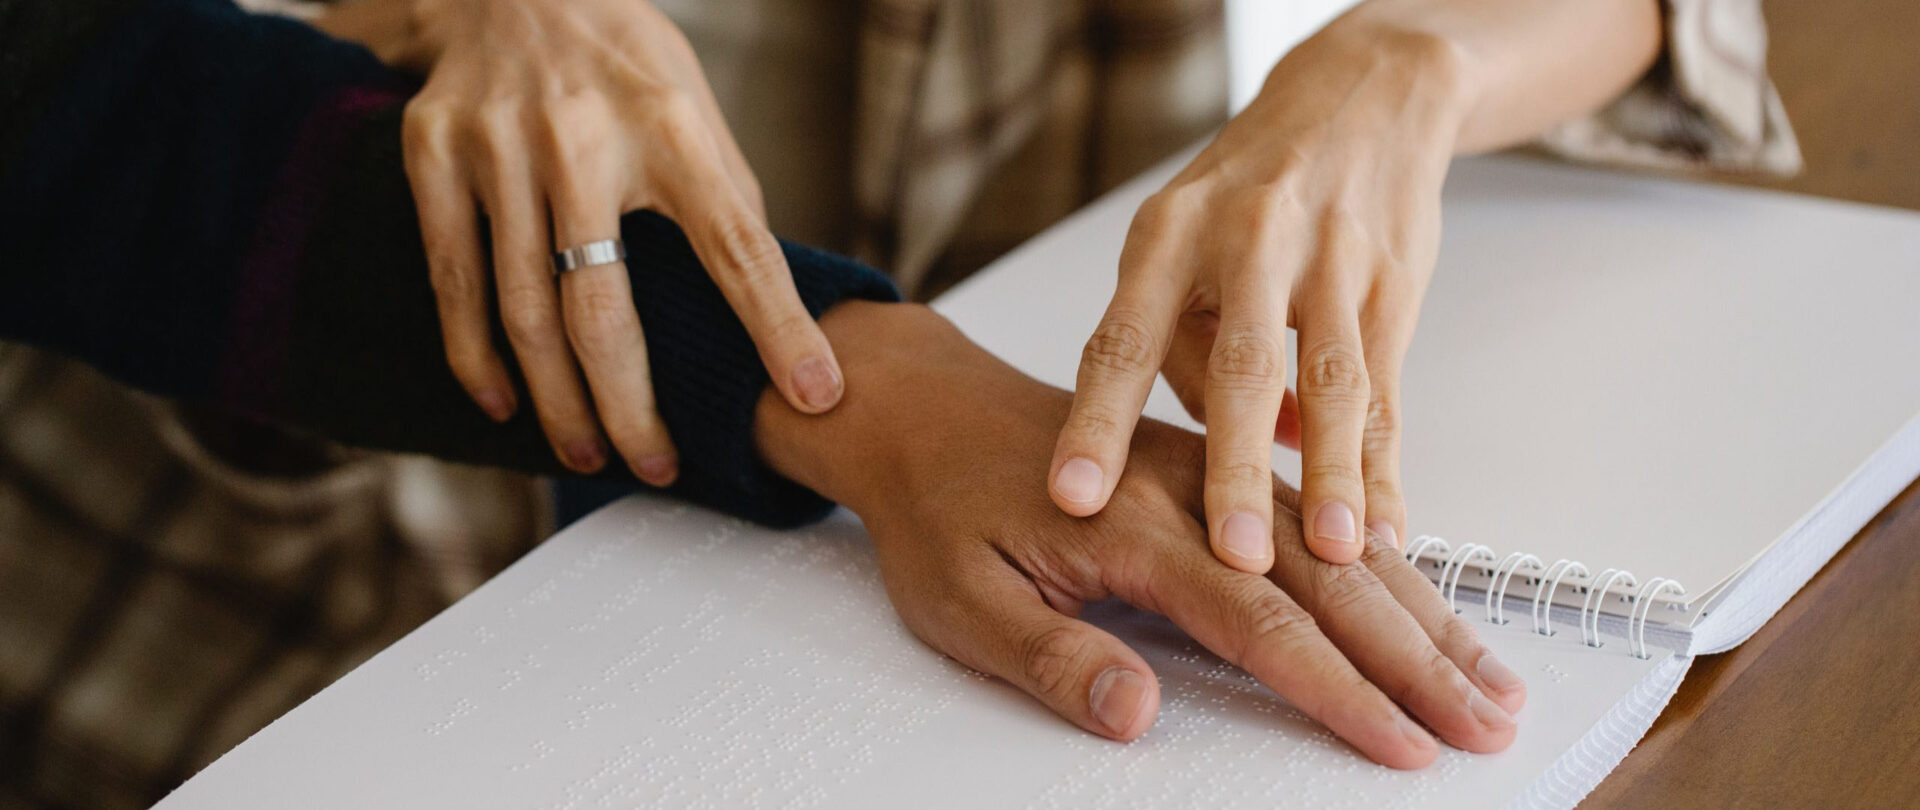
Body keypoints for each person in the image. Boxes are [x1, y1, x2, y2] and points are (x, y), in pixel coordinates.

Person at [0, 0, 1796, 805]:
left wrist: (1410, 58)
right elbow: (82, 98)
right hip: (266, 602)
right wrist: (874, 383)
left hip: (927, 468)